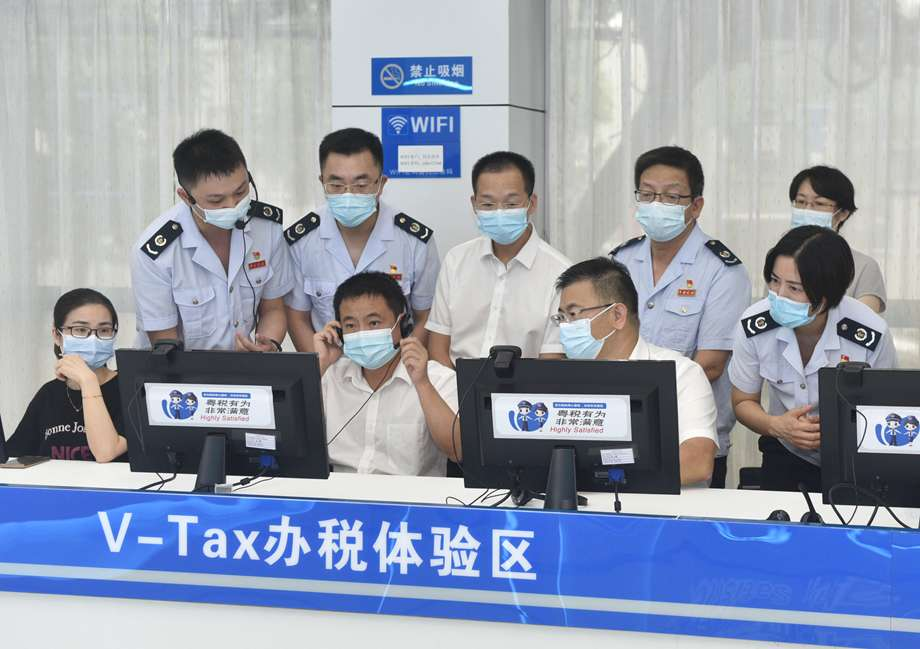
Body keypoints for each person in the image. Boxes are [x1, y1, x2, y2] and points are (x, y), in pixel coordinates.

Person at [611, 146, 751, 488]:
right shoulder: (620, 261)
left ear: (696, 205)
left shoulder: (722, 270)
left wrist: (640, 400)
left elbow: (711, 364)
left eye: (671, 197)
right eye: (647, 194)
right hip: (618, 429)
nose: (657, 204)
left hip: (689, 436)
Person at [729, 226, 897, 492]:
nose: (779, 295)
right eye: (774, 280)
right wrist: (776, 426)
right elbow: (742, 401)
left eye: (794, 288)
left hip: (854, 459)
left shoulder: (869, 333)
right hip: (784, 450)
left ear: (827, 294)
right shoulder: (755, 325)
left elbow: (885, 413)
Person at [554, 257, 718, 486]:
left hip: (656, 506)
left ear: (617, 315)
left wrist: (606, 478)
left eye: (573, 314)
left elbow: (697, 463)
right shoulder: (560, 378)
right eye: (561, 317)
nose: (565, 326)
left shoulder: (681, 374)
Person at [131, 128, 294, 351]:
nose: (233, 206)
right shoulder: (156, 253)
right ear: (185, 197)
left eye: (240, 192)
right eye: (216, 201)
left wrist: (269, 345)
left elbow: (273, 308)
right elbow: (164, 344)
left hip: (249, 365)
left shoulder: (267, 228)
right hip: (178, 368)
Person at [284, 128, 439, 352]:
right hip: (328, 367)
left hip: (398, 365)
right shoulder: (301, 241)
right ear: (322, 182)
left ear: (381, 184)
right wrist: (322, 367)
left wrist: (398, 366)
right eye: (336, 185)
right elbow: (297, 318)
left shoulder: (415, 242)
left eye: (361, 185)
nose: (348, 195)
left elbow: (426, 317)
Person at [427, 151, 571, 366]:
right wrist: (454, 387)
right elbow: (438, 348)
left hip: (527, 387)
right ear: (474, 204)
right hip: (453, 384)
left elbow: (551, 361)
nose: (499, 213)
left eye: (511, 204)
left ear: (532, 203)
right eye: (488, 205)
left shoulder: (561, 273)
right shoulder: (456, 261)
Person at [314, 272, 459, 476]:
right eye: (350, 326)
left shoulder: (437, 378)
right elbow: (293, 442)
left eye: (373, 323)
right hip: (340, 491)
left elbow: (457, 451)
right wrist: (320, 365)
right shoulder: (331, 376)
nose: (362, 333)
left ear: (402, 323)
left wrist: (422, 383)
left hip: (410, 494)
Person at [6, 289, 127, 462]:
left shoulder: (131, 389)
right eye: (80, 329)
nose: (93, 339)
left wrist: (88, 381)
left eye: (104, 330)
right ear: (57, 335)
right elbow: (13, 456)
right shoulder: (49, 393)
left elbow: (106, 452)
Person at [788, 165, 887, 313]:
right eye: (801, 202)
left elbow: (864, 321)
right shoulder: (781, 260)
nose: (807, 210)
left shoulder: (864, 267)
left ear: (843, 213)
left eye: (819, 203)